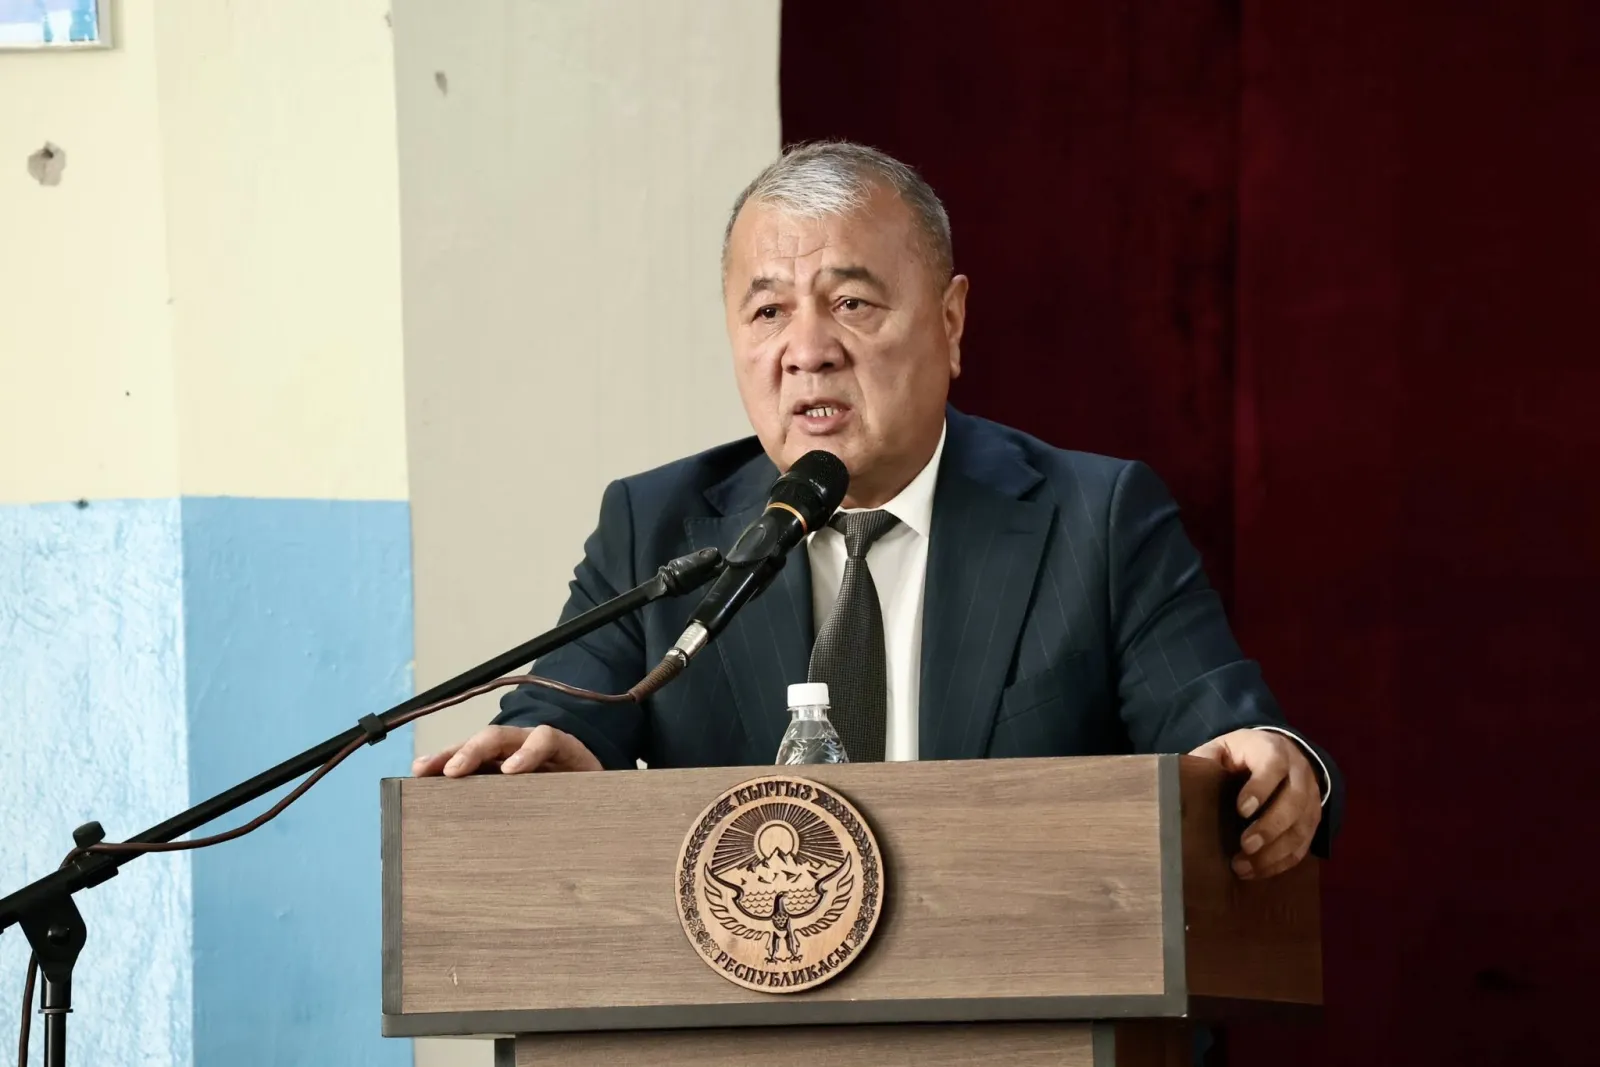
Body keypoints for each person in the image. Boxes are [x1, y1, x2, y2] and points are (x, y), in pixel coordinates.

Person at [413, 140, 1343, 877]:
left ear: (950, 321)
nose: (807, 350)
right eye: (768, 313)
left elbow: (1224, 736)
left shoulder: (1094, 520)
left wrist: (1268, 762)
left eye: (851, 303)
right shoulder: (655, 528)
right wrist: (543, 764)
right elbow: (563, 722)